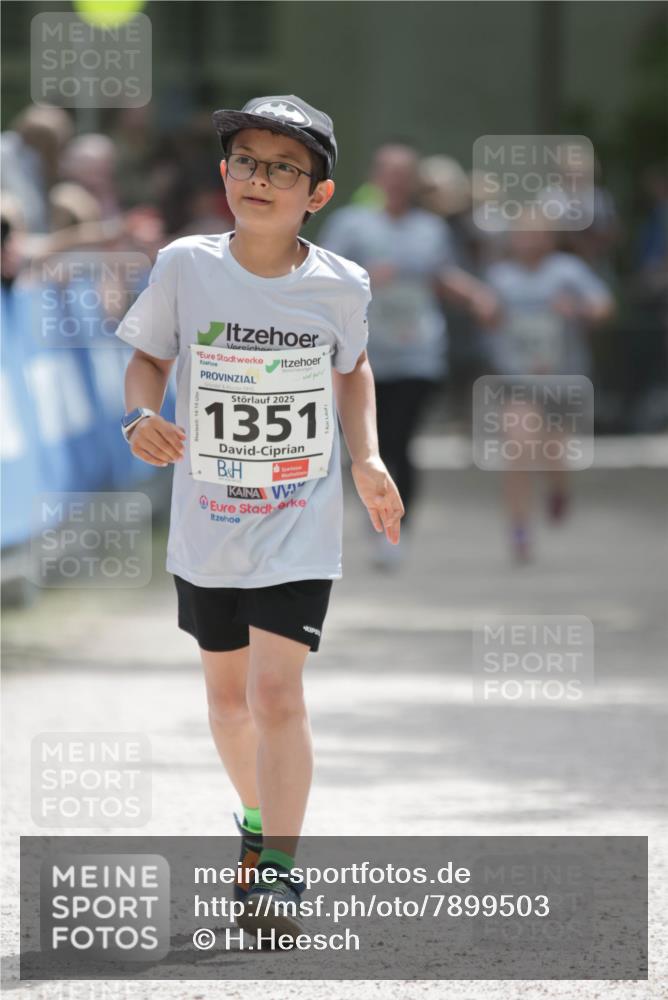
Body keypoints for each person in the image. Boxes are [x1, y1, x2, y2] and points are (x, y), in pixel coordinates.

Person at [113, 95, 403, 941]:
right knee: (227, 704)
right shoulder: (185, 266)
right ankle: (253, 817)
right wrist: (140, 418)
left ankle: (277, 869)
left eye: (284, 167)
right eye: (246, 161)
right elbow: (148, 359)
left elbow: (353, 370)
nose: (260, 178)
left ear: (318, 192)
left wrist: (367, 457)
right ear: (223, 176)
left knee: (278, 696)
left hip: (298, 521)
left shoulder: (341, 283)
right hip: (208, 523)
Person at [319, 142, 498, 568]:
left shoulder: (430, 229)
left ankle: (397, 527)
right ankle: (376, 515)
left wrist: (476, 296)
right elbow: (321, 275)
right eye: (390, 171)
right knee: (362, 445)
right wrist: (361, 280)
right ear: (376, 176)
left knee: (400, 441)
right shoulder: (351, 225)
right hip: (362, 354)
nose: (398, 180)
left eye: (406, 173)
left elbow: (443, 276)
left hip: (419, 353)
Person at [483, 212, 614, 562]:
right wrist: (488, 312)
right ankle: (520, 527)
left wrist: (581, 309)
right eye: (522, 234)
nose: (529, 240)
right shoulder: (500, 276)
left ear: (550, 237)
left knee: (554, 455)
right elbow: (486, 313)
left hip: (561, 380)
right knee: (518, 448)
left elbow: (604, 307)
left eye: (536, 234)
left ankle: (558, 489)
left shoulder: (567, 271)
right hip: (517, 381)